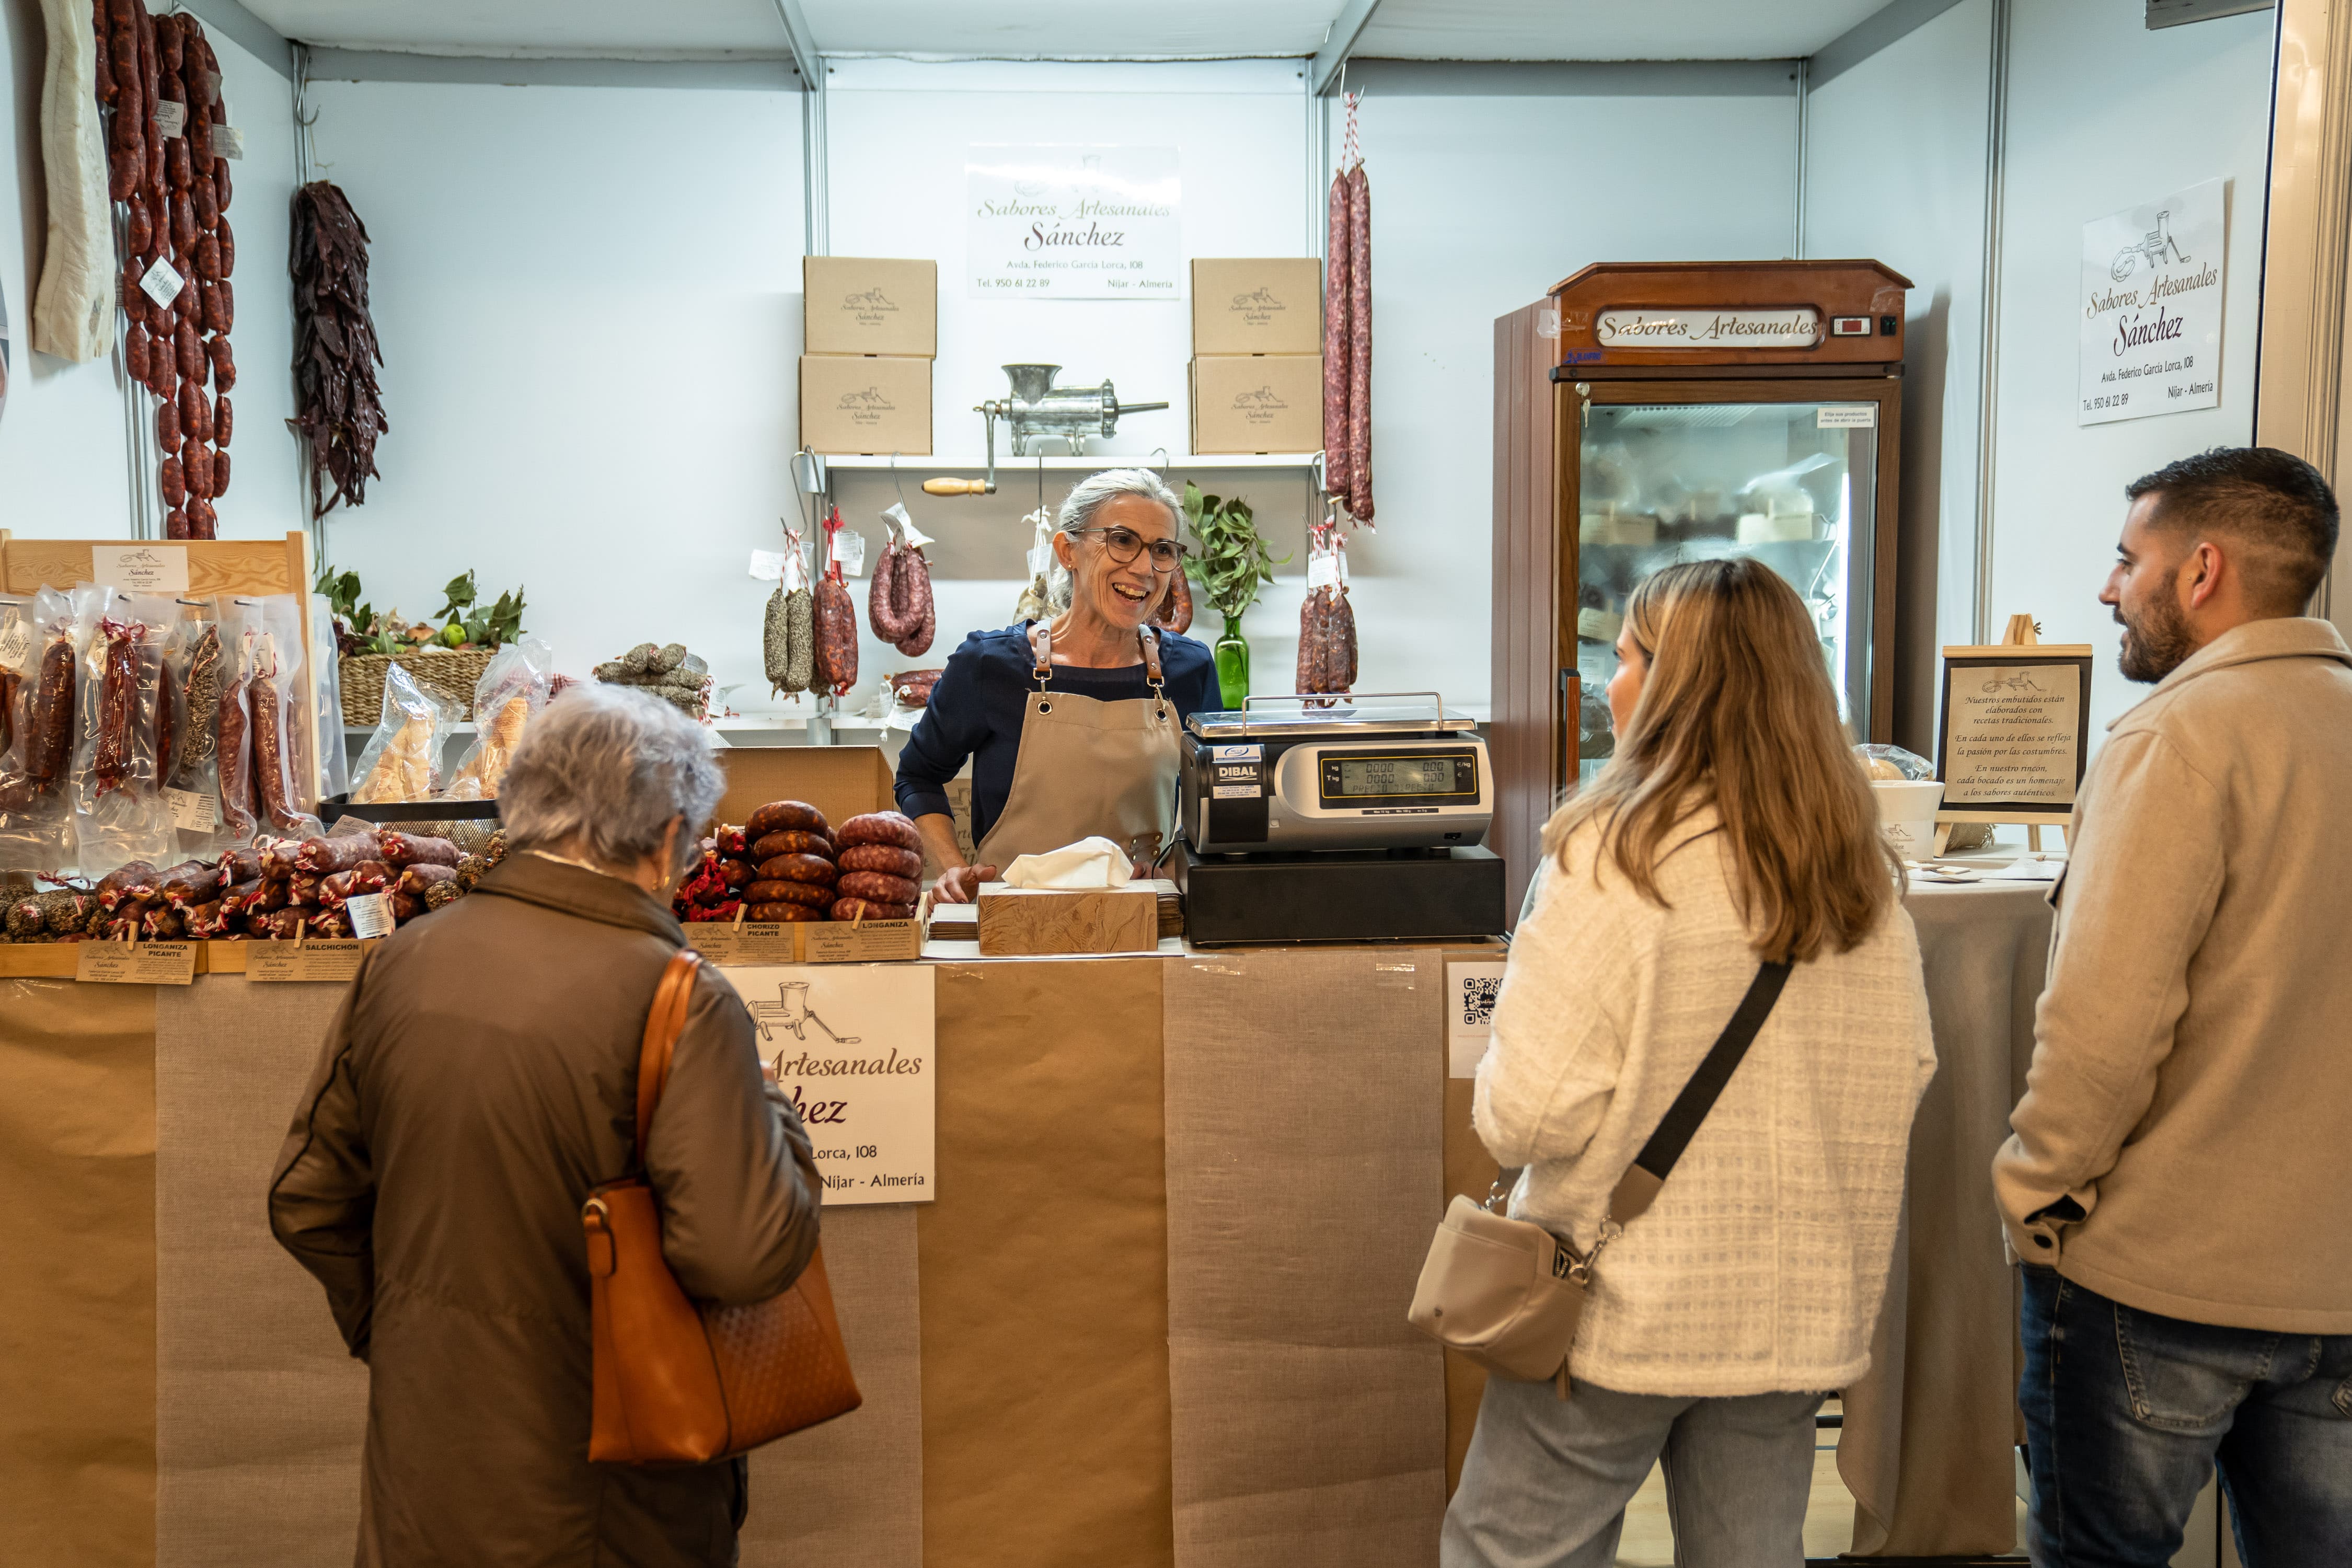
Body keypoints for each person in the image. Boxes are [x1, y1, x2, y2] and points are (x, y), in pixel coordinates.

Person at [1443, 558, 1935, 1568]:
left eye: (1625, 658)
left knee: (1510, 1551)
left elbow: (1526, 1118)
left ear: (1676, 687)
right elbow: (1909, 1073)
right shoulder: (1862, 877)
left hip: (1617, 1309)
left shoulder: (1610, 856)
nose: (1611, 679)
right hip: (1790, 1309)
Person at [269, 685, 823, 1567]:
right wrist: (780, 1119)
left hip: (426, 1469)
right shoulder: (680, 999)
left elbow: (307, 1199)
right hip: (609, 1494)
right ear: (671, 839)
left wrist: (409, 1335)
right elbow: (745, 1252)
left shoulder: (403, 962)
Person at [1993, 446, 2352, 1567]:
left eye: (2125, 560)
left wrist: (2036, 1195)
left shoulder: (2175, 739)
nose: (2109, 589)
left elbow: (2105, 1025)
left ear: (2201, 571)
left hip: (2158, 1278)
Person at [895, 467, 1219, 901]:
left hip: (1144, 922)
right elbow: (918, 775)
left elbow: (1222, 798)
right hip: (1012, 925)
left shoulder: (1190, 670)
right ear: (1069, 551)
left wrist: (1175, 865)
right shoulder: (990, 664)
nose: (1144, 568)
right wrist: (953, 869)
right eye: (1122, 541)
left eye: (1162, 550)